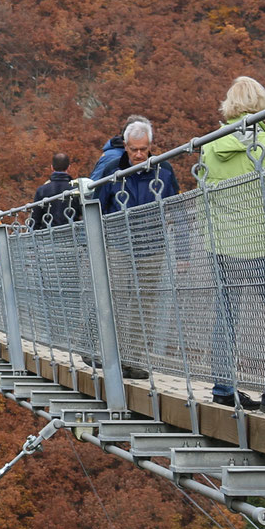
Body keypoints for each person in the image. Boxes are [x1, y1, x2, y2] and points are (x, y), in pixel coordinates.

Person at [200, 76, 265, 414]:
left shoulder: (209, 146)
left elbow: (207, 198)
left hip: (221, 245)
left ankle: (222, 388)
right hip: (259, 245)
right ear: (263, 104)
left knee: (226, 317)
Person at [92, 119, 181, 371]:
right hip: (118, 244)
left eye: (143, 149)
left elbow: (176, 207)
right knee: (116, 299)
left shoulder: (164, 169)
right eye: (134, 150)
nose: (139, 154)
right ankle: (110, 354)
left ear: (150, 146)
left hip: (152, 246)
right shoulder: (112, 171)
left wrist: (183, 251)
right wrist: (97, 244)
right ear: (126, 147)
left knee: (145, 303)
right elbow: (97, 207)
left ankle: (133, 359)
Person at [28, 152, 80, 229]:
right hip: (73, 234)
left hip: (49, 236)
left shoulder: (42, 190)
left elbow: (35, 219)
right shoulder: (75, 190)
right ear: (69, 167)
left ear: (52, 167)